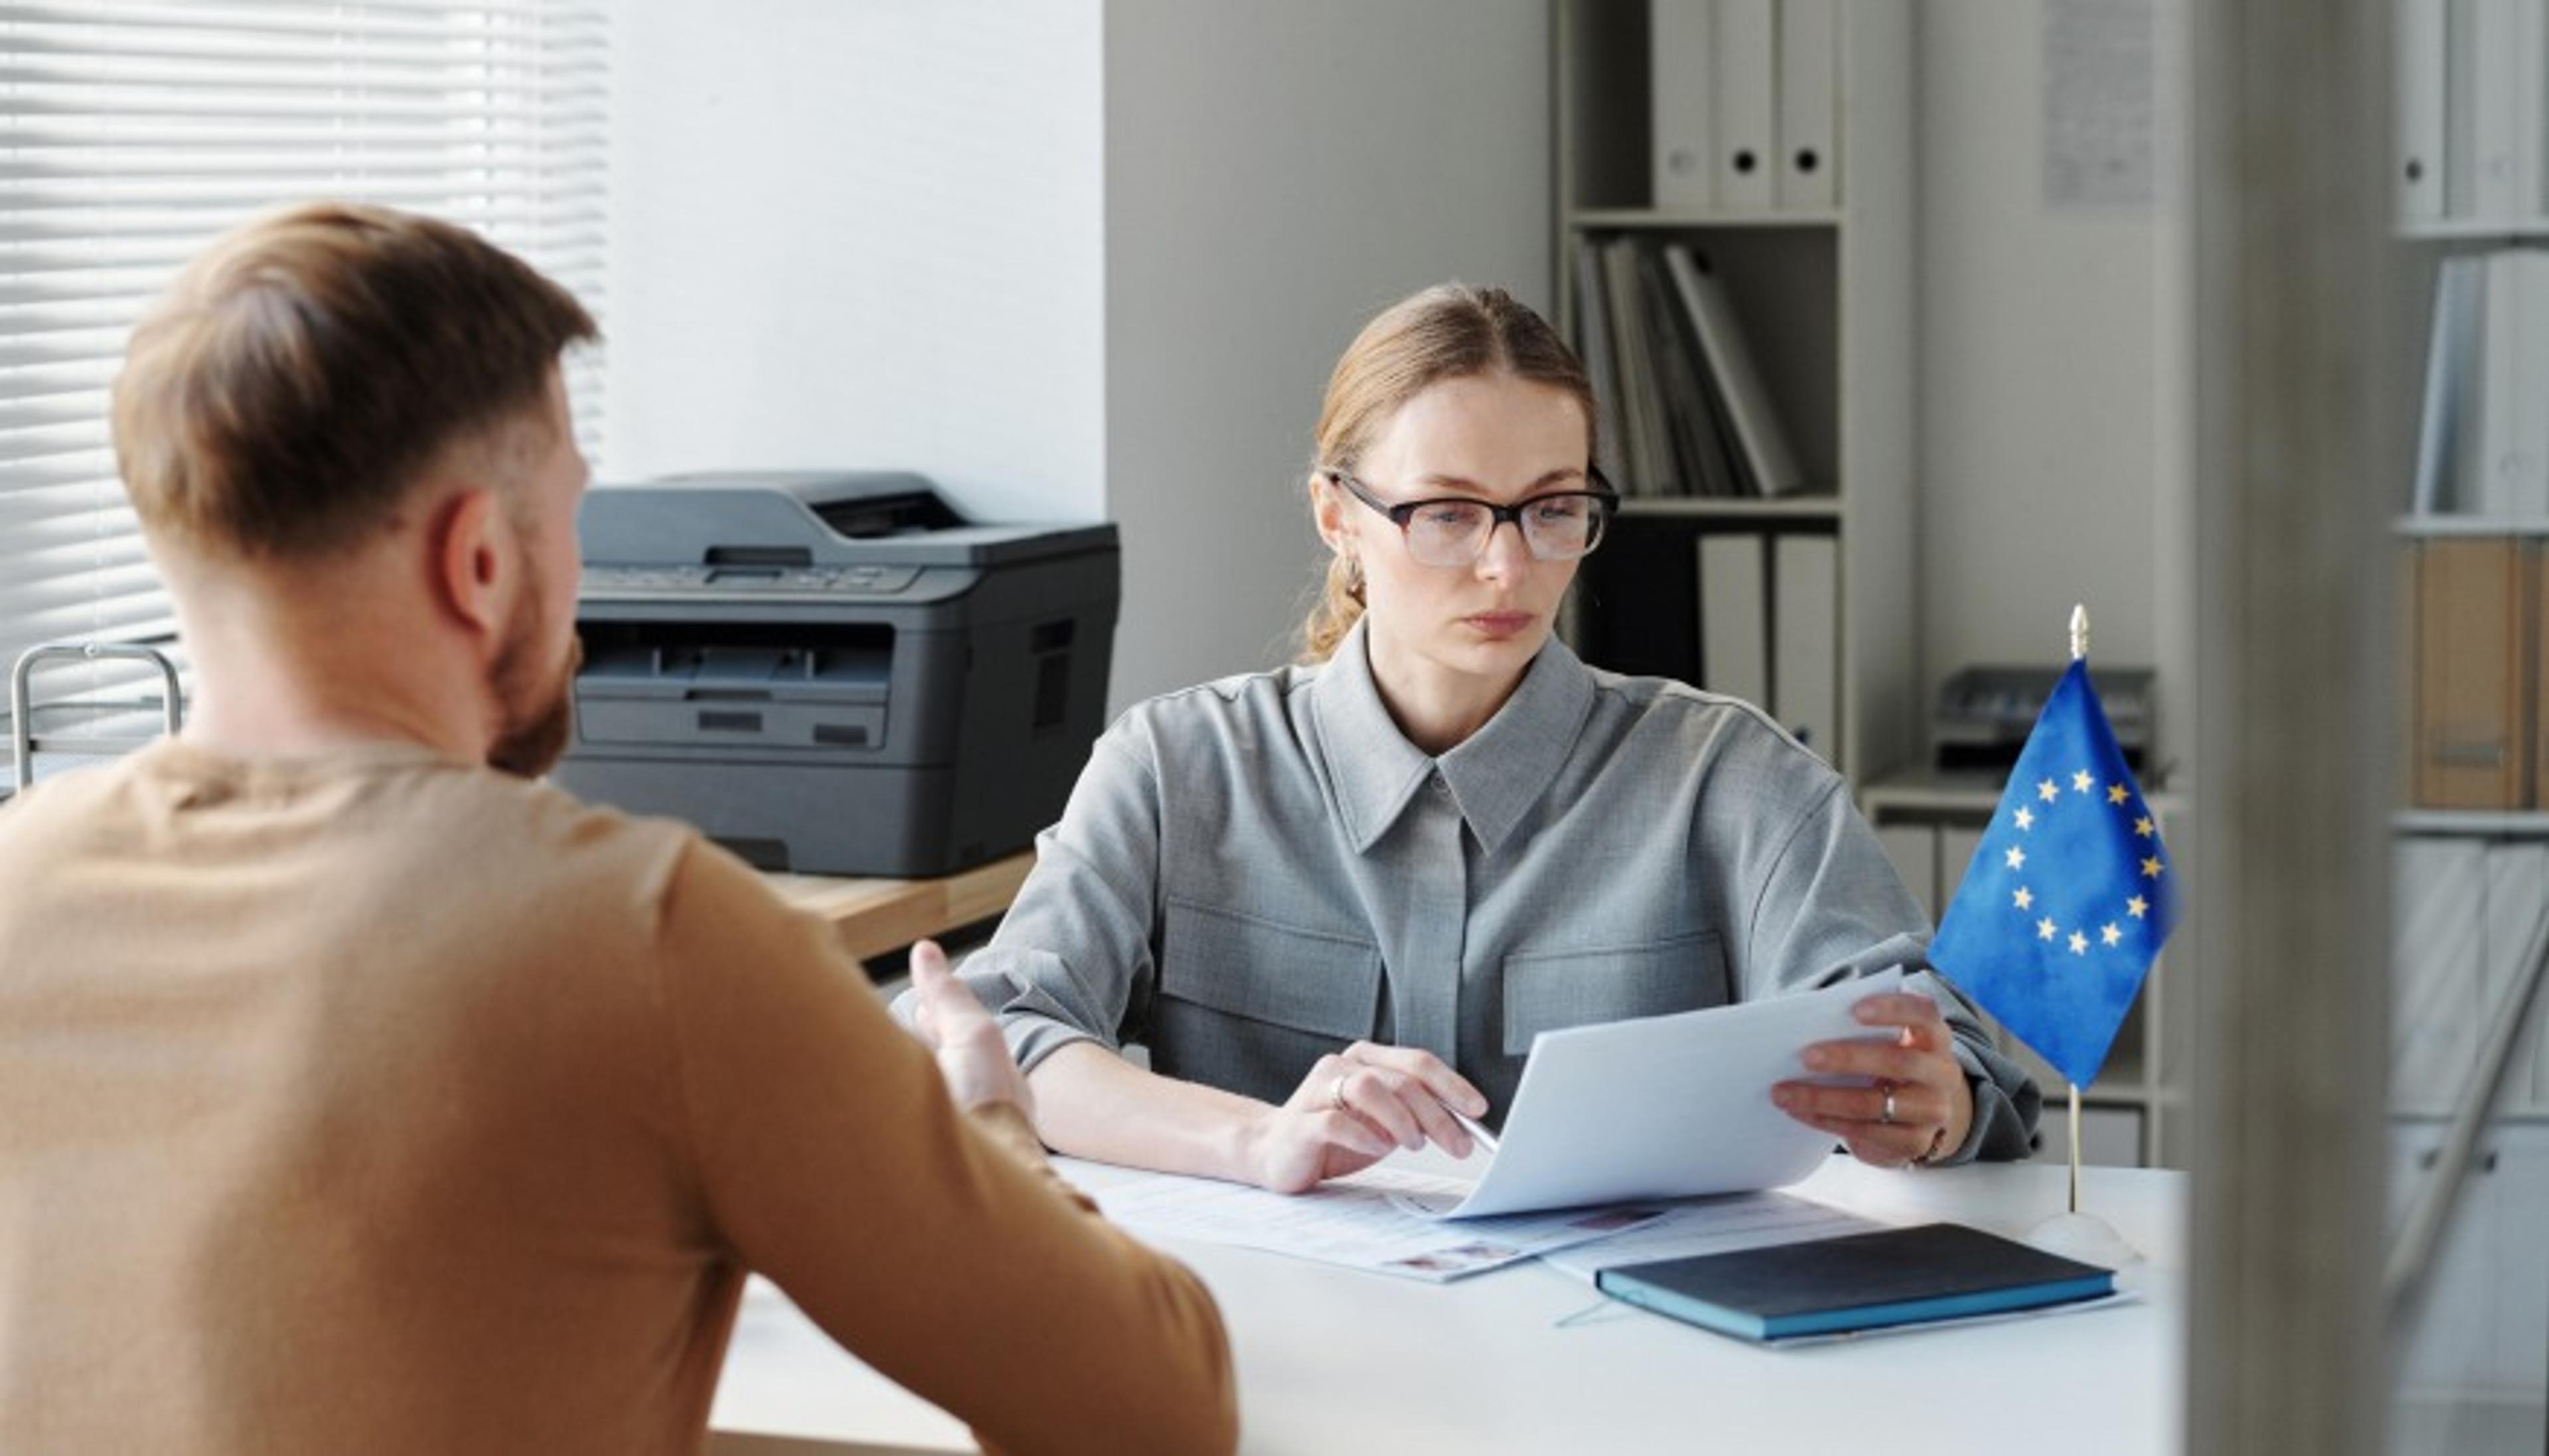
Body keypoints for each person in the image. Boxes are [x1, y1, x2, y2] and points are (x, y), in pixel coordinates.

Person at [0, 202, 1235, 1455]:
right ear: (480, 560)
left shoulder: (21, 877)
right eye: (568, 514)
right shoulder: (647, 934)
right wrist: (993, 1128)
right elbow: (1155, 1409)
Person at [928, 283, 2039, 1195]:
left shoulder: (1734, 782)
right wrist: (1258, 1139)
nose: (1509, 569)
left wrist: (1933, 1108)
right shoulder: (1177, 769)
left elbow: (1947, 1055)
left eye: (1552, 509)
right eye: (1449, 513)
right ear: (1338, 516)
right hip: (1290, 1358)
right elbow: (1010, 1032)